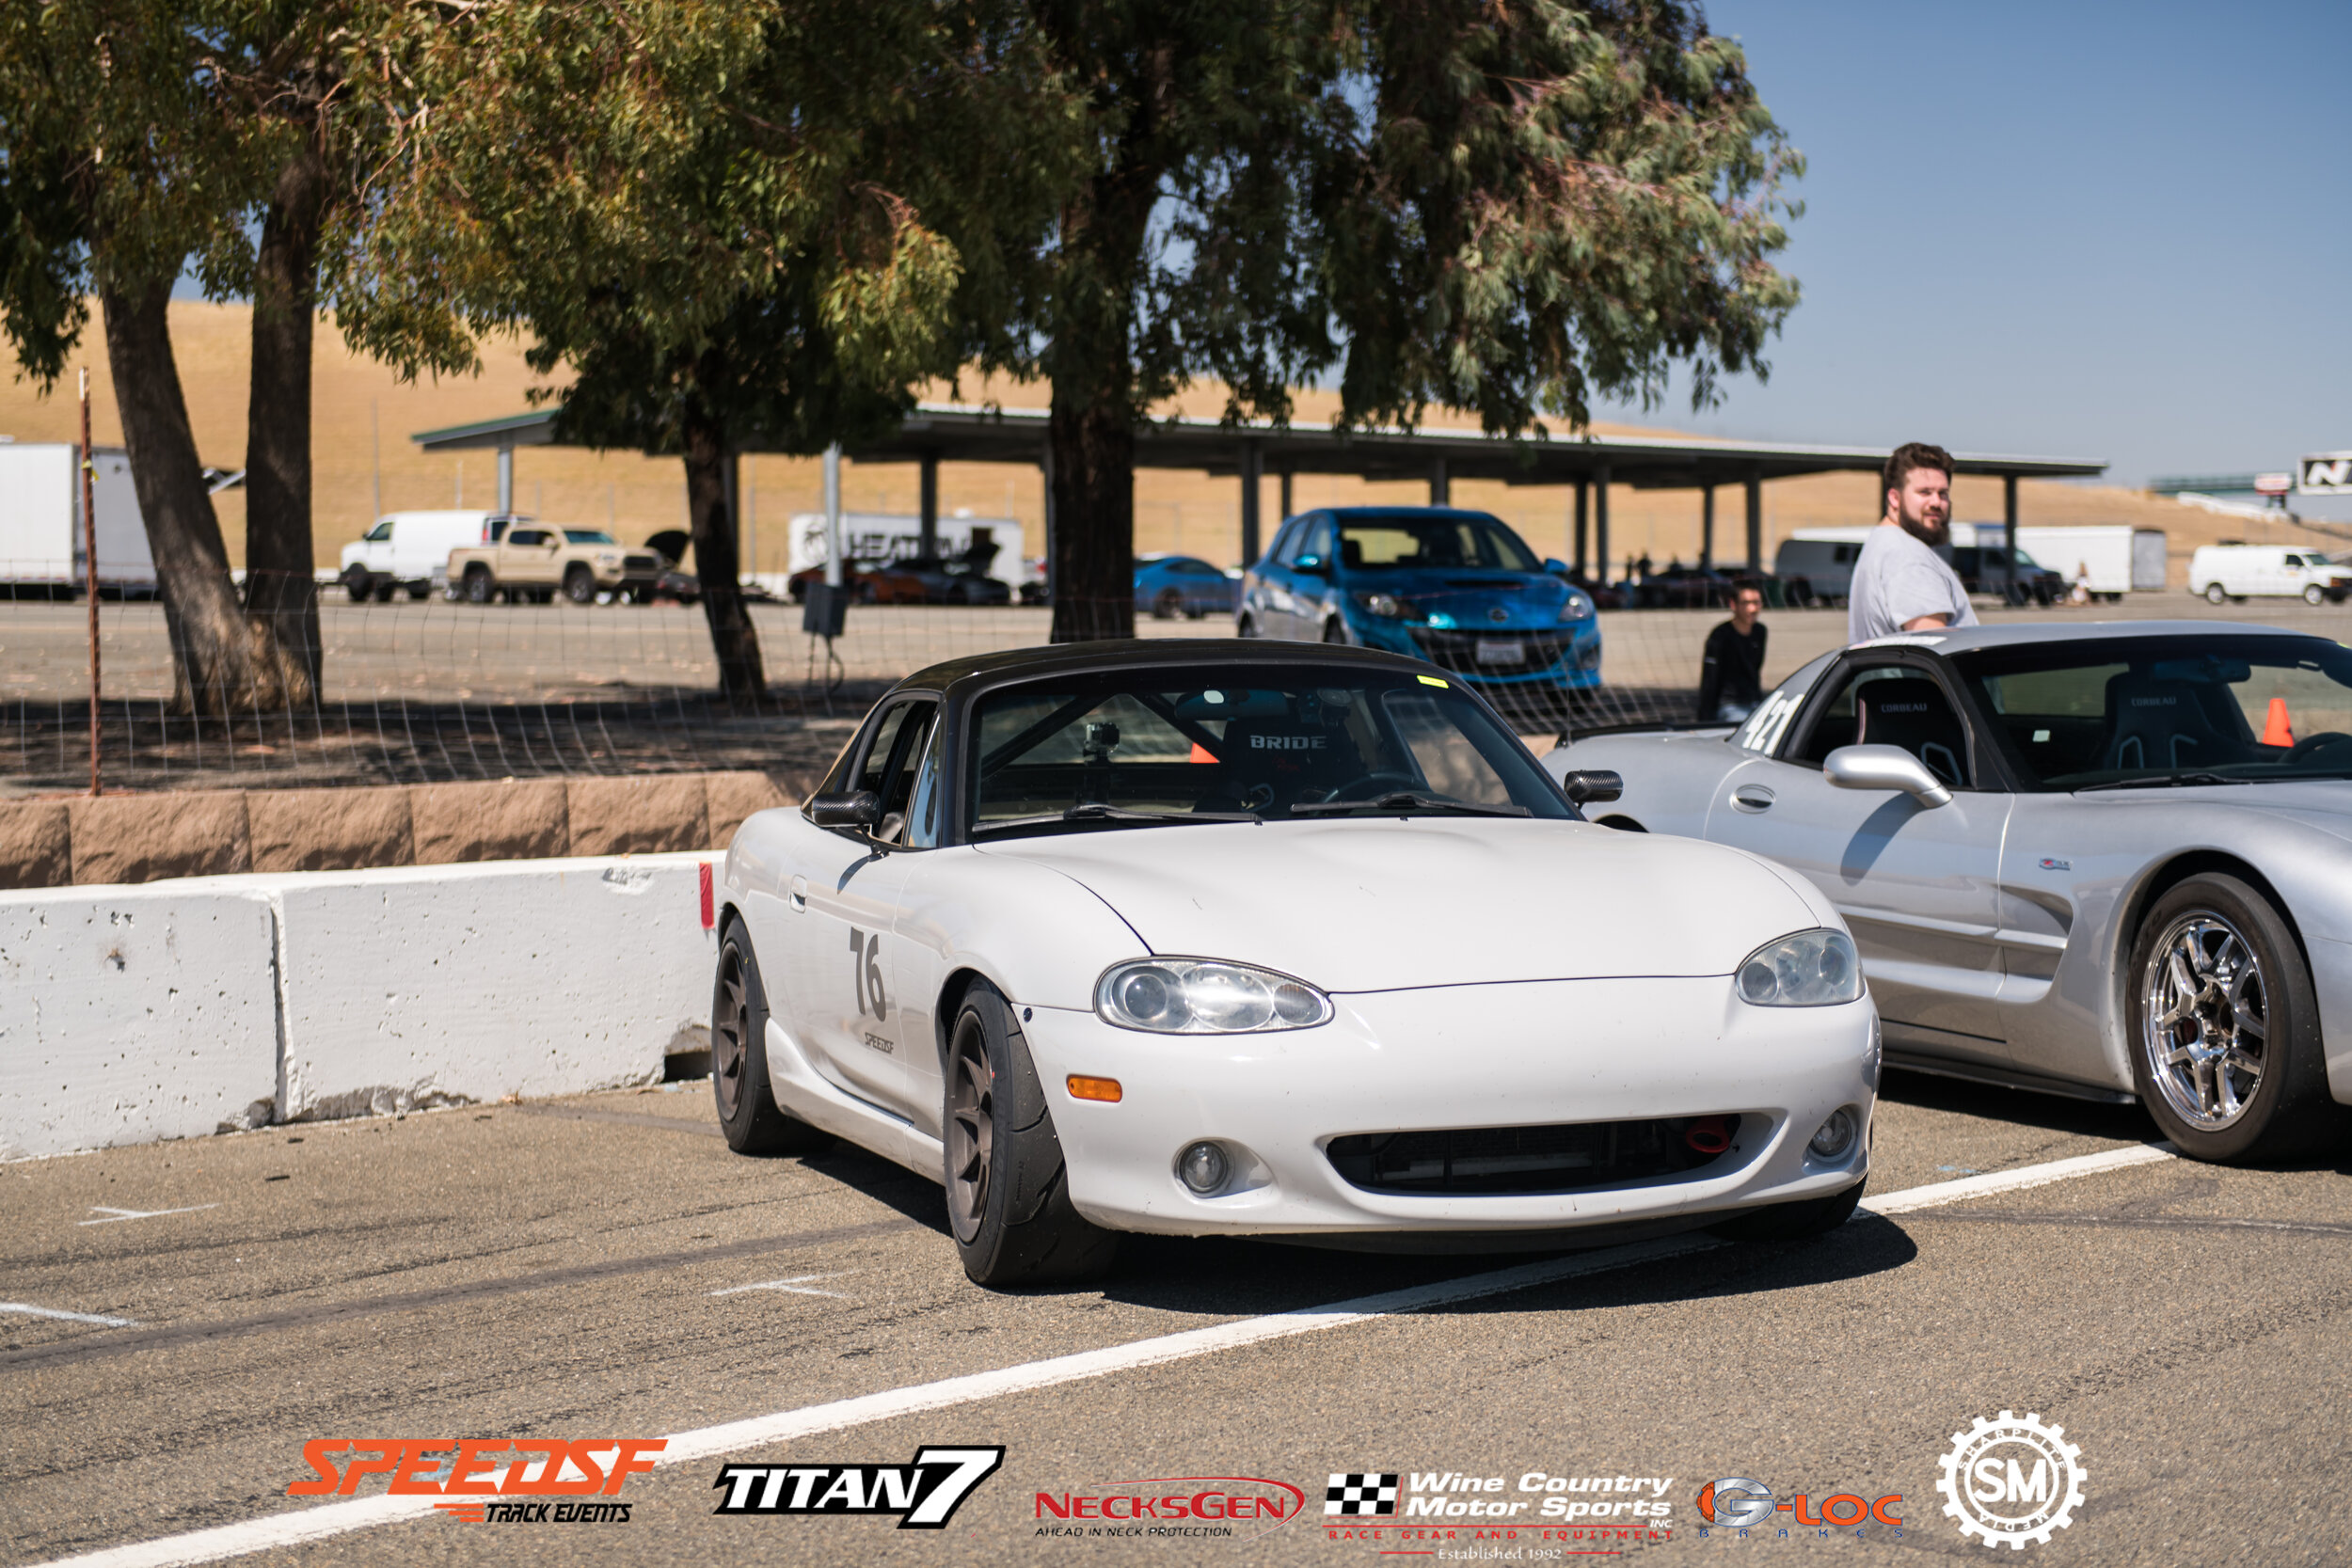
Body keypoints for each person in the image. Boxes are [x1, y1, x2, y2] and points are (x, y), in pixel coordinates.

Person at [1848, 441, 1979, 643]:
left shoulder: (1885, 543)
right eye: (1924, 492)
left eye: (1943, 493)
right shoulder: (1908, 557)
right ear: (1894, 498)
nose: (1936, 502)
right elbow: (1936, 649)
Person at [1696, 579, 1769, 722]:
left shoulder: (1760, 632)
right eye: (1746, 603)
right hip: (1730, 704)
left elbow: (1755, 670)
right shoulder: (1720, 635)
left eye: (1756, 603)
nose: (1752, 609)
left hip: (1754, 702)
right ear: (1733, 604)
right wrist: (1704, 718)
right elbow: (1709, 679)